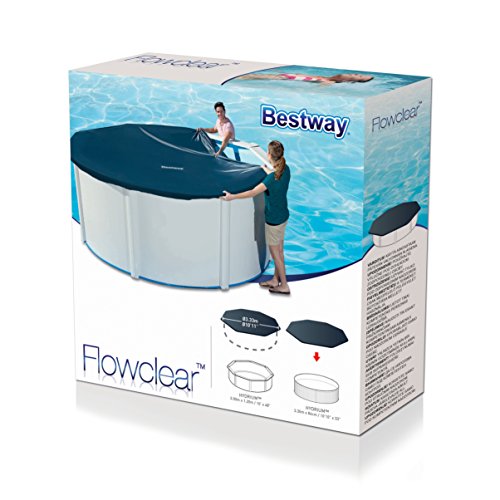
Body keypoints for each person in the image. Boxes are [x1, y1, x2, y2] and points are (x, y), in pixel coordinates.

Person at [221, 140, 291, 295]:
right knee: (280, 252)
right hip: (283, 216)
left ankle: (284, 285)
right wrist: (264, 169)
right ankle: (275, 280)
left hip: (273, 220)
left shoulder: (271, 179)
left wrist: (232, 197)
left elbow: (252, 192)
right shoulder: (286, 169)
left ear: (269, 155)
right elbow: (274, 174)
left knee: (276, 255)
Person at [238, 72, 373, 84]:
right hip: (293, 76)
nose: (355, 74)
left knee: (252, 77)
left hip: (291, 78)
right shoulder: (328, 78)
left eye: (357, 76)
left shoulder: (329, 81)